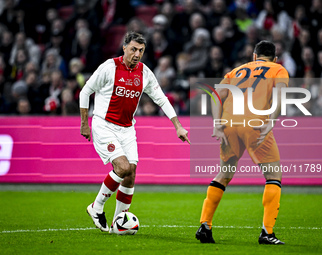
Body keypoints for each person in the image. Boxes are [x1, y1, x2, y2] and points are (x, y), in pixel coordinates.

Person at [79, 31, 190, 233]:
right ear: (124, 48)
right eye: (133, 49)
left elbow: (161, 99)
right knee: (121, 167)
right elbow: (85, 91)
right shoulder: (109, 67)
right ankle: (96, 207)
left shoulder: (144, 72)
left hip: (127, 129)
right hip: (104, 125)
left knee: (130, 173)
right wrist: (84, 123)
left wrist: (177, 125)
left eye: (140, 50)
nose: (137, 54)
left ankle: (117, 223)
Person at [196, 41, 288, 245]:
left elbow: (215, 95)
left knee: (224, 173)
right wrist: (271, 121)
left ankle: (205, 225)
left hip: (229, 123)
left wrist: (217, 124)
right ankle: (267, 233)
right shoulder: (278, 69)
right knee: (273, 175)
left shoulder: (236, 71)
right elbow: (281, 96)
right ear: (274, 58)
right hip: (255, 123)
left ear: (255, 56)